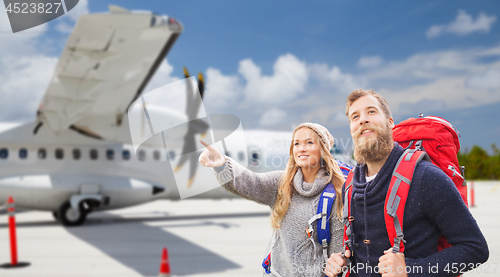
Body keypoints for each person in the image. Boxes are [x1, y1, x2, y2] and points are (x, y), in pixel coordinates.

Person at [325, 89, 489, 277]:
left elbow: (475, 248)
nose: (363, 119)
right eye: (355, 117)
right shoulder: (351, 185)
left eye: (371, 111)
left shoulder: (426, 177)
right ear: (352, 129)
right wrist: (341, 262)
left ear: (390, 123)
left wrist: (410, 269)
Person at [199, 123, 347, 276]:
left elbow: (336, 253)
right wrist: (222, 164)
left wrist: (339, 264)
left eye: (309, 142)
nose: (301, 148)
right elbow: (250, 182)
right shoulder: (281, 184)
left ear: (323, 150)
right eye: (296, 143)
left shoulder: (335, 194)